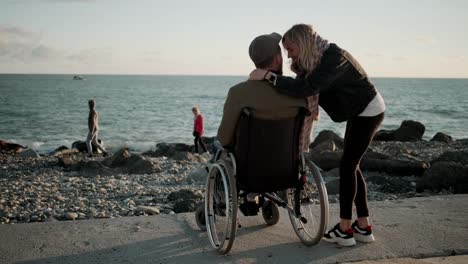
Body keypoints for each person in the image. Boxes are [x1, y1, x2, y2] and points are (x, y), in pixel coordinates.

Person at [249, 24, 386, 247]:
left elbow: (307, 88)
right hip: (358, 110)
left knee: (347, 167)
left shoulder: (334, 58)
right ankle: (363, 226)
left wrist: (268, 76)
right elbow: (300, 85)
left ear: (302, 44)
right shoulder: (315, 59)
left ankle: (345, 229)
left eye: (291, 49)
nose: (290, 55)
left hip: (369, 110)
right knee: (353, 165)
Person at [217, 32, 310, 152]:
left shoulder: (237, 93)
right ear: (277, 59)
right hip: (287, 167)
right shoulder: (298, 93)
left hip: (247, 168)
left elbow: (224, 139)